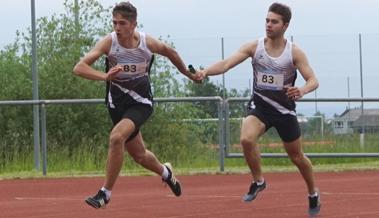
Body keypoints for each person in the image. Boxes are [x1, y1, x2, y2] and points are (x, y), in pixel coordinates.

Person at [196, 2, 321, 216]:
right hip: (260, 106)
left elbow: (313, 80)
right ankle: (258, 180)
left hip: (284, 111)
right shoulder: (255, 47)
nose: (269, 25)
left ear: (285, 26)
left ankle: (312, 193)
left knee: (297, 157)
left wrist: (301, 90)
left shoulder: (294, 53)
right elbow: (226, 64)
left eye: (274, 22)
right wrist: (205, 71)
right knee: (246, 139)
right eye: (267, 21)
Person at [73, 1, 197, 209]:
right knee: (139, 155)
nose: (117, 28)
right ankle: (167, 173)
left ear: (133, 24)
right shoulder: (109, 43)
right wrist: (105, 76)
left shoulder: (147, 43)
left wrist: (188, 74)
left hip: (141, 103)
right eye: (114, 23)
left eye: (122, 23)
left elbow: (171, 52)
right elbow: (79, 67)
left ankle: (105, 193)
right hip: (116, 104)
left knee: (116, 137)